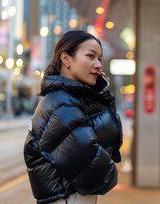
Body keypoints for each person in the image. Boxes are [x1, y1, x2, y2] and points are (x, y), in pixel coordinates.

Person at [23, 30, 123, 204]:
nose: (98, 64)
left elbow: (112, 145)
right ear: (66, 59)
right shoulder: (62, 105)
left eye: (99, 58)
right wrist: (112, 173)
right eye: (90, 56)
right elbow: (98, 175)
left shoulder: (72, 100)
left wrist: (102, 95)